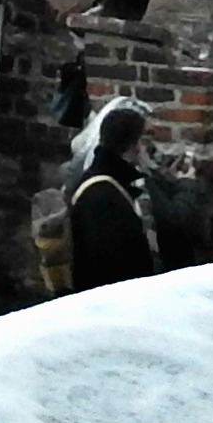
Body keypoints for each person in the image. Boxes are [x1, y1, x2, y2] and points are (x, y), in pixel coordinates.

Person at [64, 100, 160, 290]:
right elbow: (110, 266)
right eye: (143, 139)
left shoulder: (109, 181)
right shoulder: (102, 196)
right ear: (134, 146)